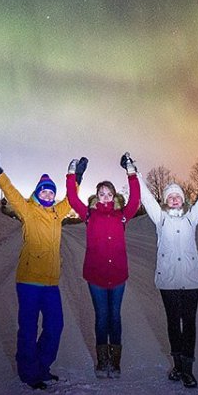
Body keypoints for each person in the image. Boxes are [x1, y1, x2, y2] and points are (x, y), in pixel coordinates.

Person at [0, 150, 73, 390]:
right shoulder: (29, 211)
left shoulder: (57, 214)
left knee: (55, 326)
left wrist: (77, 177)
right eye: (44, 190)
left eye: (51, 191)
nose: (48, 194)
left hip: (51, 282)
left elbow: (71, 200)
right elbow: (10, 193)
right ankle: (29, 373)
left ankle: (43, 367)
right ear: (37, 193)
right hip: (29, 281)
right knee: (29, 327)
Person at [65, 153, 141, 378]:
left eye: (109, 193)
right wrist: (72, 175)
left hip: (118, 276)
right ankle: (102, 361)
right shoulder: (88, 214)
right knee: (101, 316)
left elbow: (135, 199)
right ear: (96, 196)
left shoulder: (123, 215)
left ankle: (115, 361)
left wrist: (131, 172)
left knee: (115, 316)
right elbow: (71, 198)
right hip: (96, 277)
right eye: (101, 193)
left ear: (114, 196)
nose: (105, 196)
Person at [140, 166, 198, 388]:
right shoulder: (160, 219)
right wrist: (134, 174)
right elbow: (147, 198)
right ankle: (177, 366)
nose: (173, 199)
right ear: (165, 201)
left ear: (183, 200)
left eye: (177, 197)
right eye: (170, 197)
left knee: (189, 323)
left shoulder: (192, 218)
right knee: (173, 322)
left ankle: (188, 370)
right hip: (168, 280)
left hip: (190, 280)